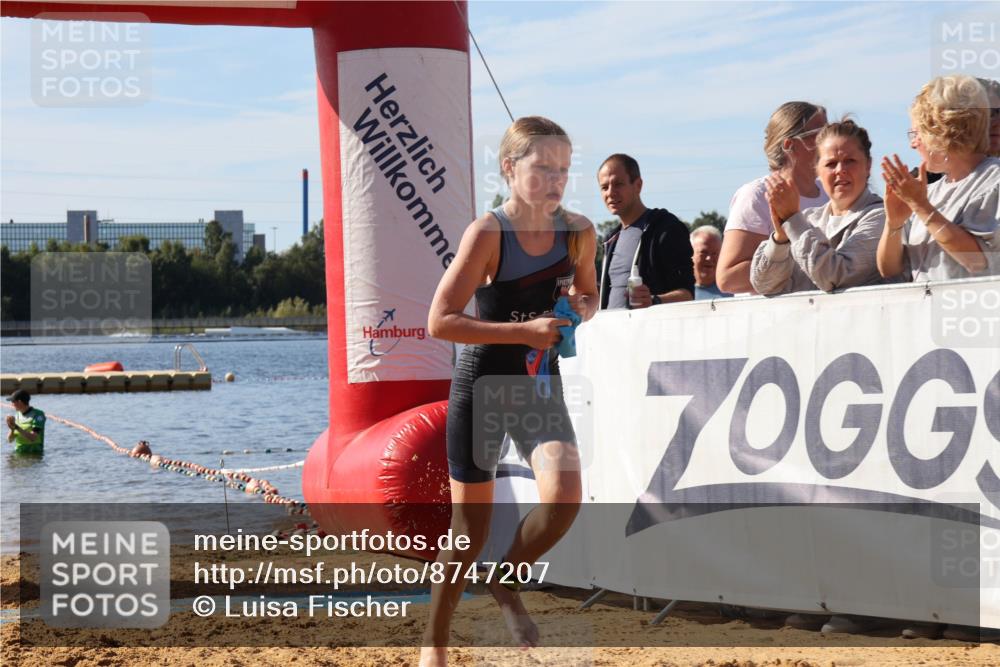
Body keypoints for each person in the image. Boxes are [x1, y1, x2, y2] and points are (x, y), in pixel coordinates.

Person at [422, 116, 598, 667]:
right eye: (542, 167)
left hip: (538, 384)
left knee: (565, 497)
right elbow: (440, 321)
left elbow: (590, 294)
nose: (555, 180)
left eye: (564, 169)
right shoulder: (487, 234)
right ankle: (435, 643)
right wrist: (524, 331)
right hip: (482, 384)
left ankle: (504, 581)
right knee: (466, 533)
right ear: (509, 168)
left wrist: (578, 308)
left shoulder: (579, 231)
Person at [878, 74, 999, 285]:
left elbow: (978, 262)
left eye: (916, 133)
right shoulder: (929, 191)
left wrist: (921, 206)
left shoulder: (993, 180)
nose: (912, 144)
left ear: (941, 133)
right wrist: (893, 224)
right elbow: (889, 269)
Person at [750, 117, 885, 295]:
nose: (840, 170)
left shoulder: (881, 217)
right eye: (831, 164)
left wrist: (792, 219)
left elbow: (834, 277)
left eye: (850, 161)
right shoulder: (809, 218)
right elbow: (764, 285)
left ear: (868, 165)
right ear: (817, 170)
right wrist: (781, 238)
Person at [717, 102, 829, 294]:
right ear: (790, 145)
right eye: (820, 135)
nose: (830, 141)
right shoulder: (756, 196)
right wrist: (817, 262)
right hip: (773, 320)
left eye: (831, 132)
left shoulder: (830, 192)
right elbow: (729, 278)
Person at [597, 154, 694, 308]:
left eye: (618, 184)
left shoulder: (665, 228)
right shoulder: (611, 239)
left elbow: (688, 294)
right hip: (611, 330)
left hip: (651, 330)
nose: (610, 192)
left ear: (638, 185)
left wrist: (654, 300)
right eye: (604, 187)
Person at [690, 226, 731, 299]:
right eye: (703, 252)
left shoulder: (732, 292)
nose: (709, 258)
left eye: (715, 253)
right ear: (691, 254)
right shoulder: (680, 292)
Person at [6, 389, 45, 455]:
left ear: (20, 402)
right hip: (19, 453)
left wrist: (16, 427)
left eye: (13, 402)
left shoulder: (38, 415)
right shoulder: (17, 415)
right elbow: (10, 440)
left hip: (34, 454)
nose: (12, 404)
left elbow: (33, 437)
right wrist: (12, 429)